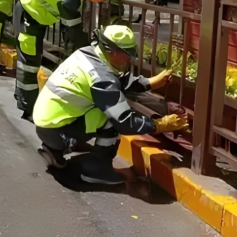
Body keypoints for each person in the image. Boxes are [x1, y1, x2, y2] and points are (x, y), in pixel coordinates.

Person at [34, 25, 188, 184]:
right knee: (112, 119)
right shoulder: (101, 78)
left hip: (47, 122)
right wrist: (158, 125)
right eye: (127, 54)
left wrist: (150, 83)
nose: (130, 59)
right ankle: (97, 170)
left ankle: (56, 150)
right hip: (57, 129)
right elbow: (124, 121)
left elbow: (116, 82)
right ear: (113, 51)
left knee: (101, 109)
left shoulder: (88, 53)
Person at [14, 0, 116, 121]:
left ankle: (23, 97)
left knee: (32, 59)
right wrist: (92, 58)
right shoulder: (68, 0)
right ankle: (28, 109)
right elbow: (74, 35)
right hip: (28, 12)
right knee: (29, 64)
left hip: (39, 12)